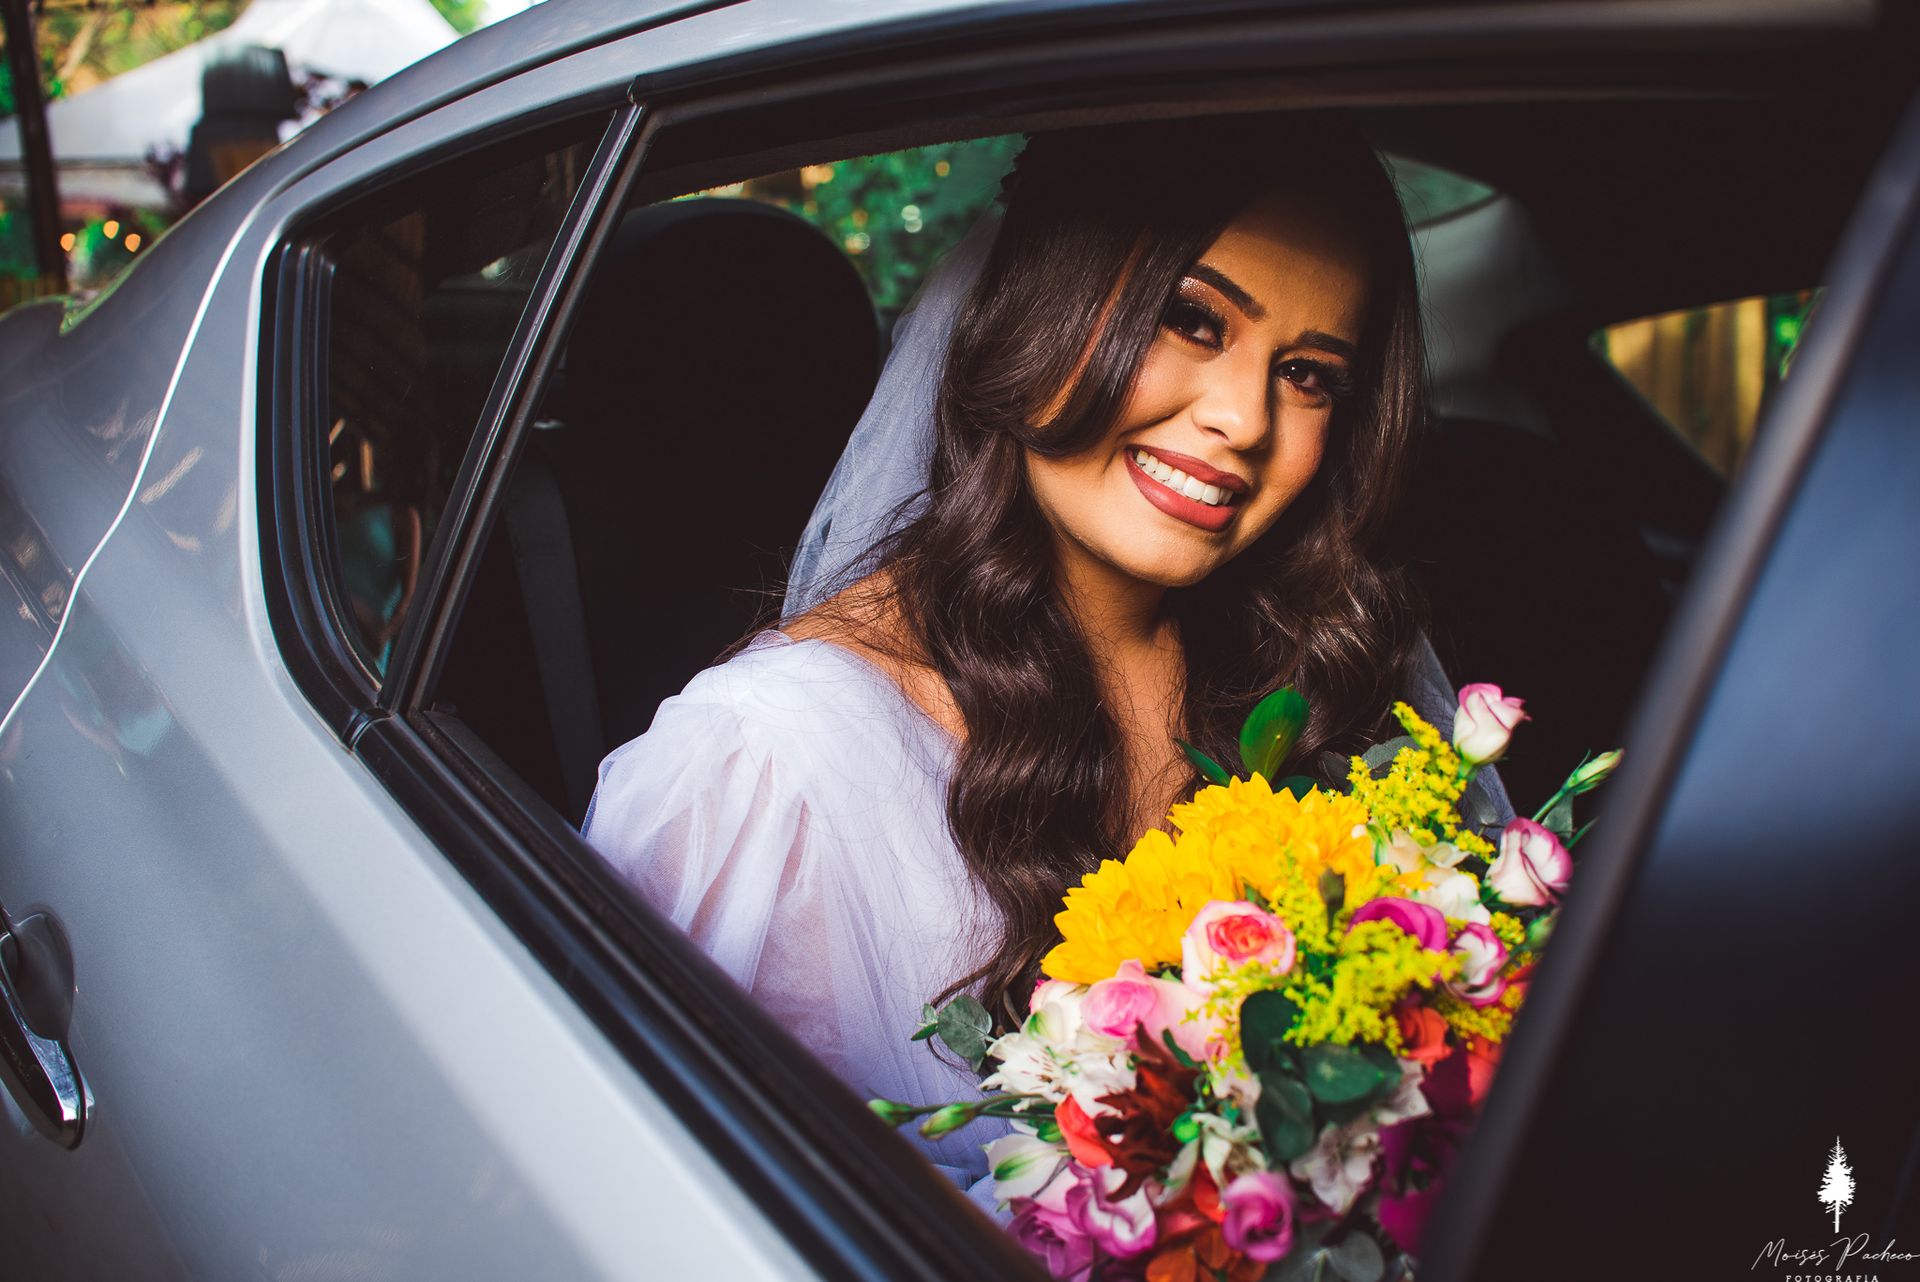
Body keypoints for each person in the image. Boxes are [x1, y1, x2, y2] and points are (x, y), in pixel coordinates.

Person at [582, 115, 1510, 1202]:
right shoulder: (761, 769)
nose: (1243, 419)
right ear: (1035, 306)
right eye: (1192, 320)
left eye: (1308, 376)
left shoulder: (1323, 698)